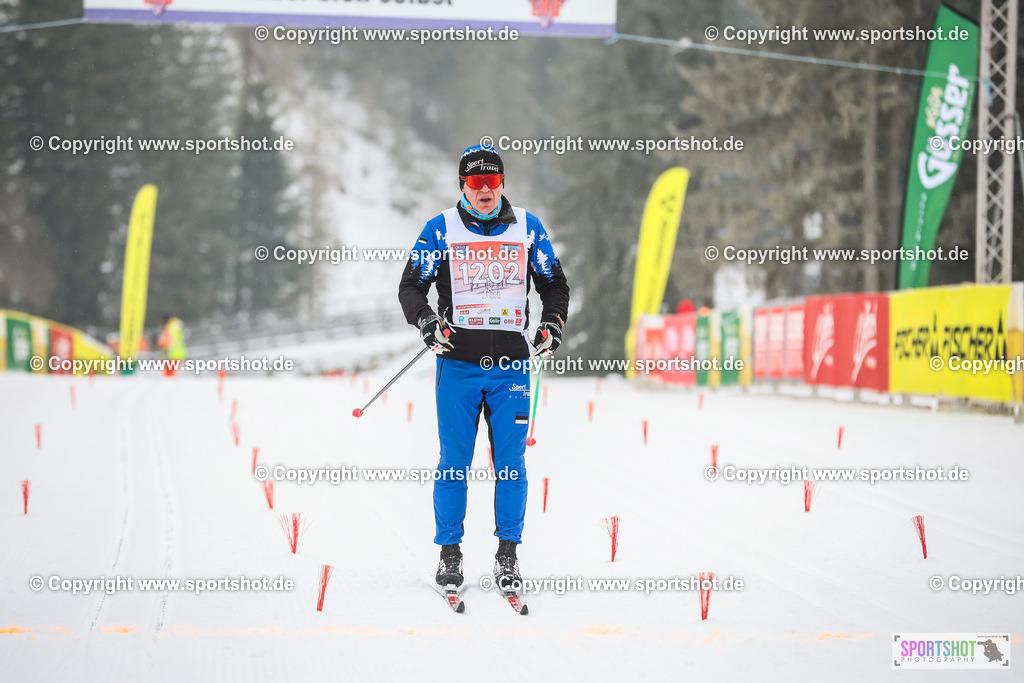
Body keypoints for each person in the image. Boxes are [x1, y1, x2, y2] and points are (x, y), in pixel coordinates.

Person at [399, 145, 570, 594]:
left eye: (493, 181)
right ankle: (450, 555)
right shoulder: (441, 230)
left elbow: (554, 283)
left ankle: (508, 555)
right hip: (457, 365)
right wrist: (427, 321)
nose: (485, 190)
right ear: (462, 185)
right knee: (454, 463)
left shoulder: (528, 228)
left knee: (511, 465)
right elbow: (412, 285)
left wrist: (551, 323)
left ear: (502, 183)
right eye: (476, 182)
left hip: (512, 366)